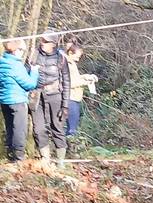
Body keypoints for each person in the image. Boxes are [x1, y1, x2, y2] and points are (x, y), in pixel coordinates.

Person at [30, 30, 71, 168]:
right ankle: (45, 158)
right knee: (38, 128)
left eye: (46, 41)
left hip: (55, 95)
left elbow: (66, 82)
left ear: (53, 44)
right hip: (37, 95)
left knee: (57, 127)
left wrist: (65, 105)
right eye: (42, 40)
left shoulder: (61, 58)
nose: (42, 43)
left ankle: (61, 161)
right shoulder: (34, 54)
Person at [0, 40, 39, 161]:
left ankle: (10, 153)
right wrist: (34, 71)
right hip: (17, 101)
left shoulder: (2, 63)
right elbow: (30, 84)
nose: (23, 53)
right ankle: (18, 157)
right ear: (16, 50)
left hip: (5, 101)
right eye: (22, 50)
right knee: (19, 129)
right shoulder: (16, 65)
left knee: (10, 127)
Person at [65, 43, 97, 137]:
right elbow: (69, 83)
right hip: (70, 98)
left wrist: (86, 77)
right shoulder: (66, 65)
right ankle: (70, 149)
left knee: (73, 126)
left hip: (75, 98)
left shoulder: (72, 64)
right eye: (77, 56)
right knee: (71, 129)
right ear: (70, 53)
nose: (78, 59)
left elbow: (75, 78)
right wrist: (85, 82)